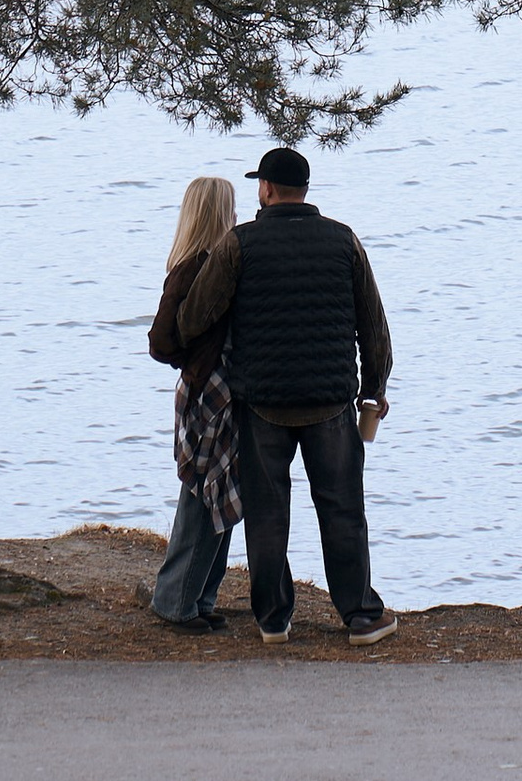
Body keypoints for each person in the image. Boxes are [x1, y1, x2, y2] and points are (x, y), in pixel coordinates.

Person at [177, 145, 394, 645]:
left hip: (262, 404)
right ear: (305, 190)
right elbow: (373, 325)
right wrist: (374, 387)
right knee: (341, 508)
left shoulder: (239, 244)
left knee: (268, 512)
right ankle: (360, 615)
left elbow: (194, 319)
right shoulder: (344, 241)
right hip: (332, 403)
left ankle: (273, 619)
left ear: (267, 189)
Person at [145, 173, 242, 632]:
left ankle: (200, 595)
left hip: (217, 391)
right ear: (218, 213)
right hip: (208, 393)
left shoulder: (205, 263)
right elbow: (161, 342)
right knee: (203, 495)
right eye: (232, 206)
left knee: (219, 493)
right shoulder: (195, 267)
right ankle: (176, 600)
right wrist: (200, 356)